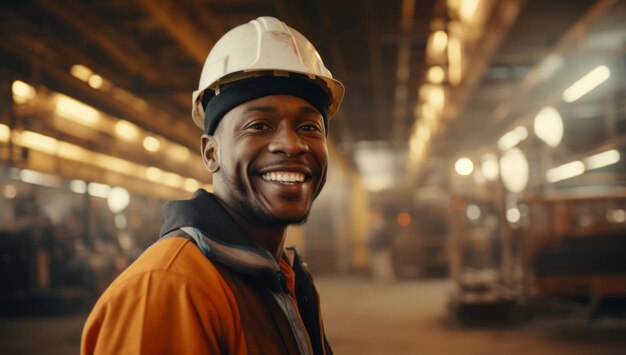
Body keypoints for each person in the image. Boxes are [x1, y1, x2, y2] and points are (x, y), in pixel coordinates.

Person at [81, 16, 344, 355]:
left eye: (309, 127)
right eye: (260, 125)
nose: (292, 145)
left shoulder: (287, 277)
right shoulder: (168, 287)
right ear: (210, 153)